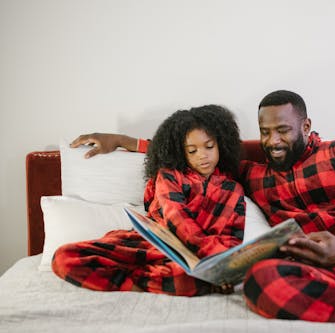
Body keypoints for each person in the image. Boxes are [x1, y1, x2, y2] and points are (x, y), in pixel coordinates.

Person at [70, 91, 335, 332]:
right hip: (323, 266)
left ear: (307, 127)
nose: (272, 140)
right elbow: (193, 149)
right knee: (263, 282)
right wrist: (125, 141)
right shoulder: (253, 174)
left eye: (282, 130)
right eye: (264, 132)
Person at [52, 104, 245, 296]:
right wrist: (216, 259)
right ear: (180, 152)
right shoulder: (170, 175)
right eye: (192, 151)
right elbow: (176, 219)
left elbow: (231, 236)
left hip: (190, 259)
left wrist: (226, 268)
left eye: (209, 146)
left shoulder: (232, 189)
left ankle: (141, 280)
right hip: (148, 244)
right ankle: (139, 283)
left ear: (221, 143)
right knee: (64, 257)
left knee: (184, 279)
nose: (203, 155)